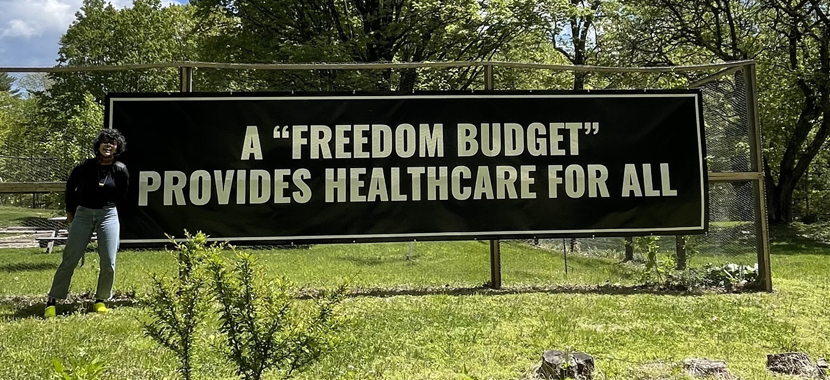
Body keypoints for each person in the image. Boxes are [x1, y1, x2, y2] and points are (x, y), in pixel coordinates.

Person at [44, 128, 129, 318]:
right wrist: (70, 213)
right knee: (70, 258)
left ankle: (101, 300)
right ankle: (52, 300)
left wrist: (115, 216)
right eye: (104, 141)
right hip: (82, 214)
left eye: (112, 143)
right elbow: (70, 188)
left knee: (108, 260)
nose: (108, 145)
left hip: (108, 214)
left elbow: (122, 195)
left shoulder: (120, 169)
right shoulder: (84, 166)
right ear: (98, 145)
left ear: (117, 148)